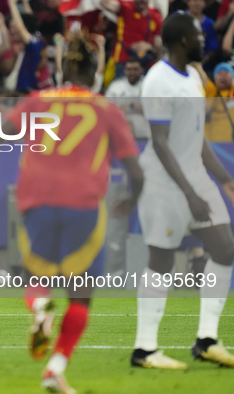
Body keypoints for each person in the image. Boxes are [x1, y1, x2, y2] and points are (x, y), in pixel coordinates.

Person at [0, 32, 144, 393]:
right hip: (84, 206)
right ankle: (55, 368)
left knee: (36, 277)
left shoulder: (36, 101)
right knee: (81, 294)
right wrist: (132, 200)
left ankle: (41, 305)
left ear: (62, 73)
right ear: (94, 76)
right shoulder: (107, 109)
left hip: (36, 202)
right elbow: (136, 170)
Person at [134, 12, 234, 369]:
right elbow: (160, 143)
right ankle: (145, 349)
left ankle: (206, 340)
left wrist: (223, 179)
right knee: (161, 261)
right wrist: (190, 194)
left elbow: (196, 137)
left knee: (224, 248)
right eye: (198, 36)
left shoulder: (192, 75)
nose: (204, 41)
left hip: (195, 179)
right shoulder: (158, 81)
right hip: (164, 183)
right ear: (182, 41)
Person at [100, 0, 163, 79]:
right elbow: (104, 3)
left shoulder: (156, 18)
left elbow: (157, 46)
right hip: (123, 62)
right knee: (120, 88)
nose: (141, 1)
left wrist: (149, 47)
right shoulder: (125, 8)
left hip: (144, 63)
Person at [106, 57, 150, 140]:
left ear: (141, 70)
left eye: (135, 69)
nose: (132, 72)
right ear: (124, 71)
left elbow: (155, 108)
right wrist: (136, 105)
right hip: (121, 136)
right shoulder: (115, 87)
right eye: (129, 69)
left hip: (144, 135)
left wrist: (128, 106)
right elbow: (107, 109)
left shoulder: (148, 85)